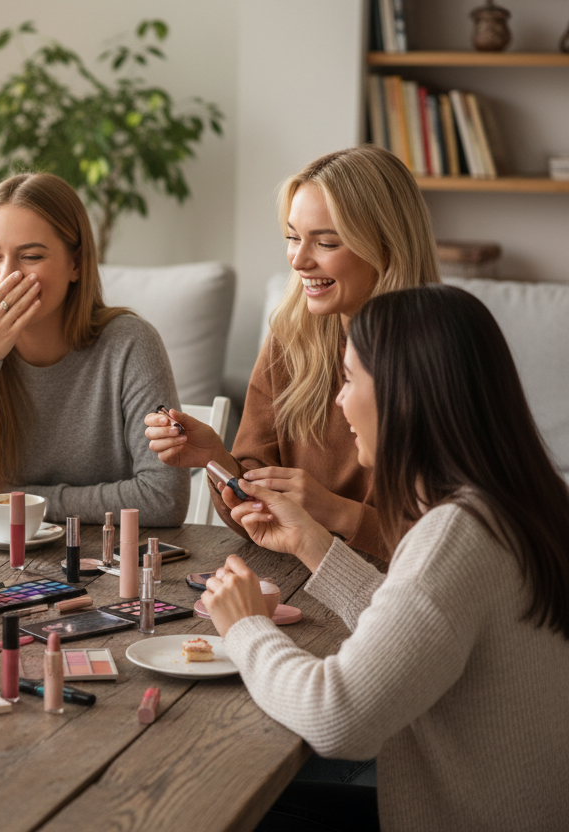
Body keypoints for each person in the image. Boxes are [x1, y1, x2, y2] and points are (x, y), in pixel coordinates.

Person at [204, 285, 569, 831]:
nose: (338, 401)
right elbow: (427, 625)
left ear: (402, 396)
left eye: (349, 380)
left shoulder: (455, 533)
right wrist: (310, 541)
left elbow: (338, 717)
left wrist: (247, 628)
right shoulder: (518, 502)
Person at [146, 145, 439, 558]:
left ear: (387, 247)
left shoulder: (443, 357)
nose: (299, 260)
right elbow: (256, 522)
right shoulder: (291, 342)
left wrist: (337, 513)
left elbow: (455, 548)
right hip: (294, 581)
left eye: (326, 243)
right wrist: (216, 458)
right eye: (293, 238)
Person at [0, 172, 189, 525]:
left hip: (108, 564)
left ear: (75, 264)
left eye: (30, 256)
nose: (7, 276)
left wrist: (19, 500)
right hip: (0, 566)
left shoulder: (130, 344)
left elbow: (164, 498)